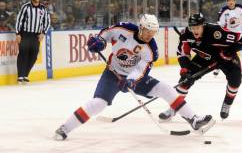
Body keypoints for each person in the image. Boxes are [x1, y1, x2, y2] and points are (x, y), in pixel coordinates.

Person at [53, 14, 215, 140]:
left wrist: (130, 80)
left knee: (164, 89)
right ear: (141, 27)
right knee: (98, 104)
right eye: (148, 31)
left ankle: (193, 119)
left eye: (153, 32)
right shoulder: (124, 29)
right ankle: (64, 128)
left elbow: (141, 70)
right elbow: (106, 34)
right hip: (112, 74)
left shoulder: (151, 50)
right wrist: (100, 41)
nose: (150, 35)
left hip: (134, 78)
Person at [158, 13, 242, 121]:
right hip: (204, 58)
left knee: (235, 81)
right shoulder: (186, 35)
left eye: (197, 27)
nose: (195, 30)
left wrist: (228, 52)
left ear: (203, 25)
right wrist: (185, 69)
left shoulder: (216, 31)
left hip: (225, 58)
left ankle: (227, 104)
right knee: (185, 81)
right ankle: (173, 109)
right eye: (192, 27)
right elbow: (183, 54)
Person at [15, 0, 51, 84]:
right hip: (25, 34)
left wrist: (43, 32)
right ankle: (20, 76)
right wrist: (18, 33)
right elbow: (19, 20)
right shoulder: (25, 7)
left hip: (36, 35)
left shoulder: (43, 8)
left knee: (34, 56)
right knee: (23, 54)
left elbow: (47, 22)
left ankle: (25, 74)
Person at [214, 0, 242, 76]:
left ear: (235, 1)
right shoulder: (223, 11)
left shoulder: (241, 8)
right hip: (229, 37)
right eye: (228, 1)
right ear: (226, 2)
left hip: (240, 36)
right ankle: (217, 68)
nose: (230, 2)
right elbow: (220, 23)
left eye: (232, 0)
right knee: (224, 54)